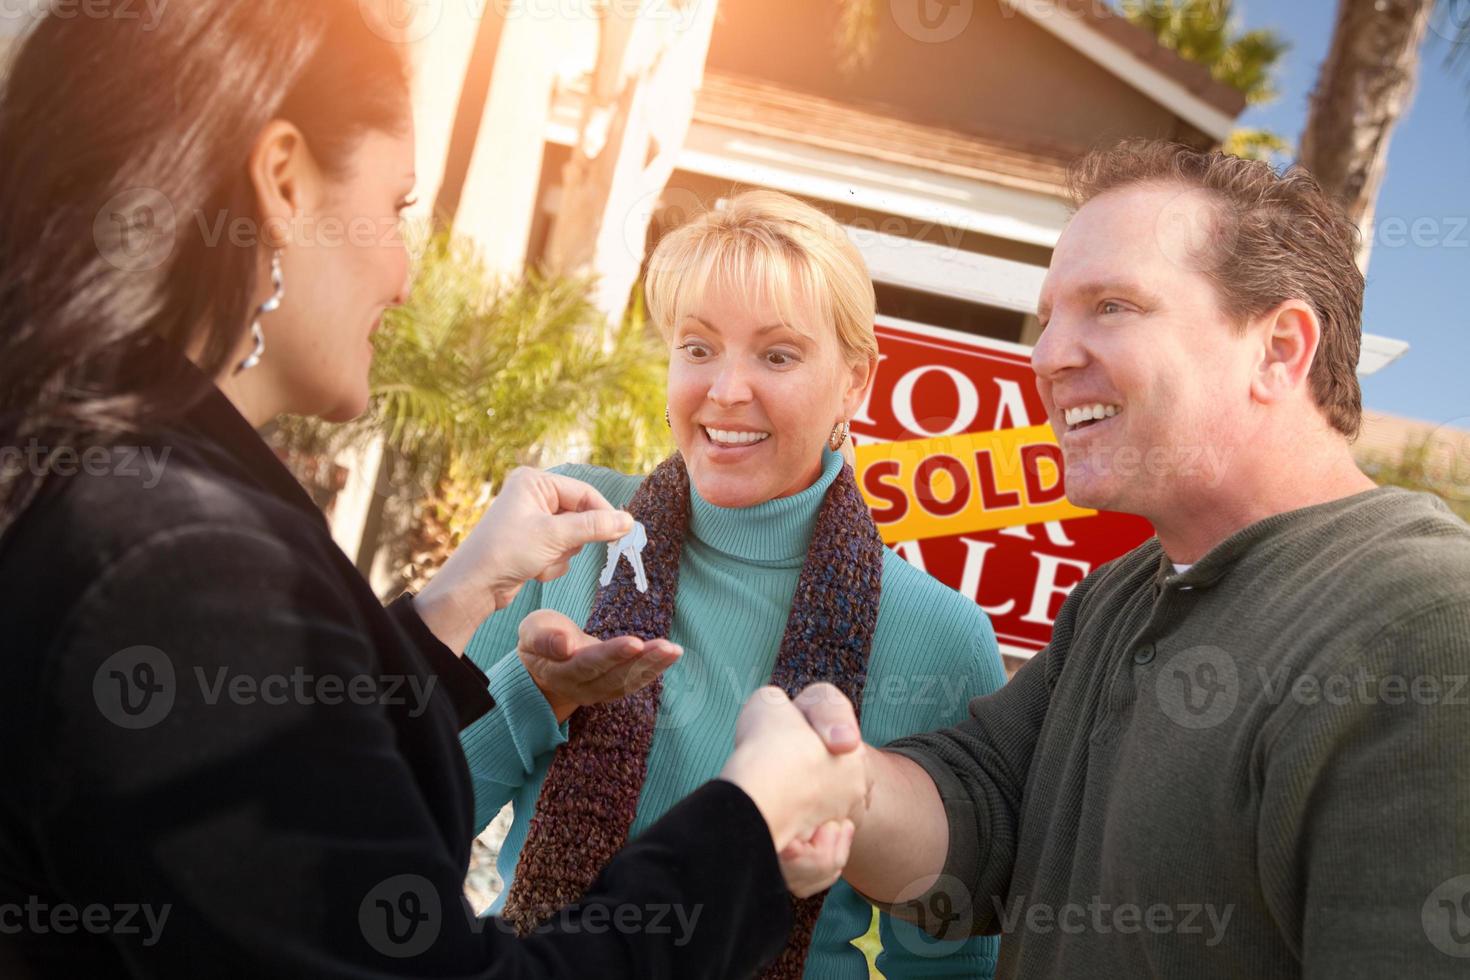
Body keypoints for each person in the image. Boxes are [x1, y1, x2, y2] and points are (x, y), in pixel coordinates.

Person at [0, 3, 869, 976]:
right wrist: (749, 826)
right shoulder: (182, 556)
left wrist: (451, 606)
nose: (405, 276)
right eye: (401, 207)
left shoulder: (100, 475)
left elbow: (285, 823)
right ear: (283, 182)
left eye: (780, 351)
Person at [785, 140, 1470, 978]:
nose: (1050, 355)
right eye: (1050, 318)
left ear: (1280, 349)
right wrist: (837, 782)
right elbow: (979, 815)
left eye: (1112, 306)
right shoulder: (1119, 595)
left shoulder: (1431, 623)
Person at [457, 189, 1006, 978]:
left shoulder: (939, 634)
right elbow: (414, 815)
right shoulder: (569, 526)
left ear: (856, 382)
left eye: (777, 355)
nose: (725, 390)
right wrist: (535, 693)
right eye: (698, 347)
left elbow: (949, 960)